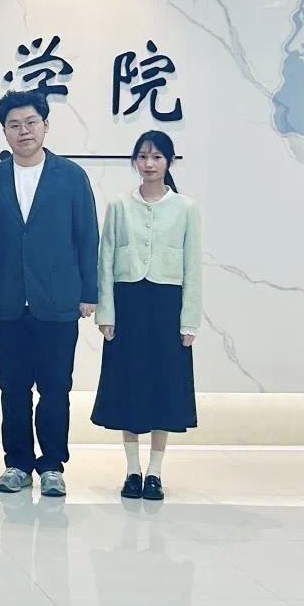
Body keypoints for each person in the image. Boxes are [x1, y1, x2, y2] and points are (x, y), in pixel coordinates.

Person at [0, 91, 99, 499]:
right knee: (12, 388)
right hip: (7, 300)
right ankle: (16, 464)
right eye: (14, 125)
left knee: (55, 388)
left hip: (58, 299)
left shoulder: (71, 177)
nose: (23, 131)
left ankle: (51, 466)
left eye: (30, 122)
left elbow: (87, 237)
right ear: (4, 132)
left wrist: (89, 292)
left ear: (46, 125)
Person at [92, 131, 202, 502]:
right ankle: (132, 470)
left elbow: (193, 266)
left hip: (167, 305)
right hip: (128, 304)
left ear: (169, 161)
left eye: (157, 157)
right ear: (135, 161)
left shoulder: (186, 208)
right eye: (142, 156)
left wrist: (190, 320)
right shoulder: (119, 206)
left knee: (163, 386)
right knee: (129, 385)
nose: (149, 163)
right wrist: (106, 312)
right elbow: (105, 261)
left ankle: (155, 472)